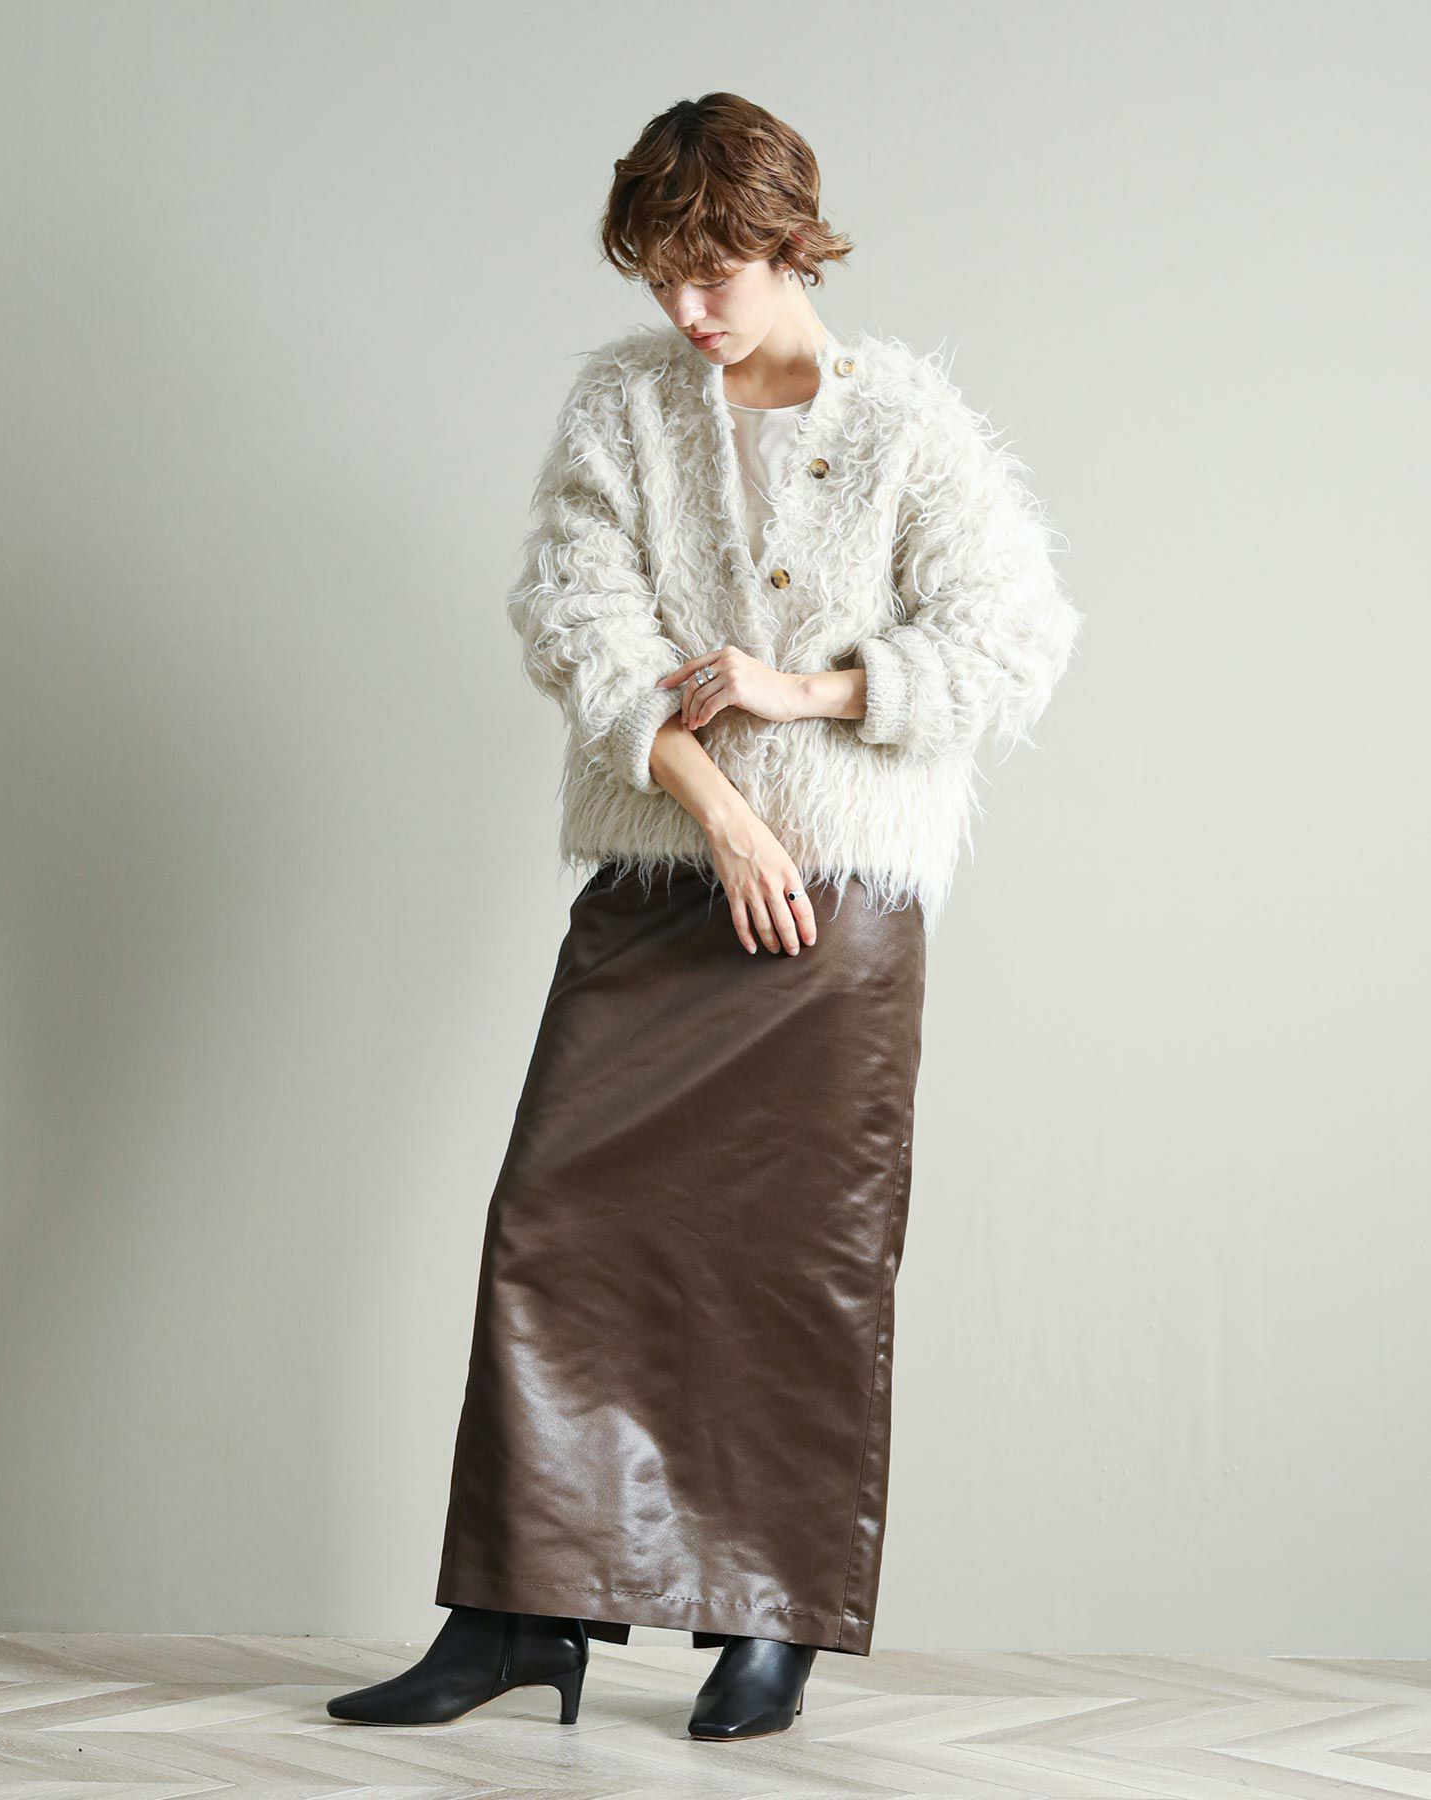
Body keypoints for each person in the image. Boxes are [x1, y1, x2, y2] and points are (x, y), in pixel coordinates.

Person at [327, 90, 1081, 1743]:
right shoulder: (624, 406)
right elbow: (576, 622)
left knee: (799, 1262)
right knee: (552, 1223)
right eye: (660, 275)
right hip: (672, 877)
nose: (686, 307)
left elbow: (1015, 639)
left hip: (835, 921)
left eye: (713, 270)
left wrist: (807, 691)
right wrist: (723, 808)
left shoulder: (912, 426)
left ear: (790, 239)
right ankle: (517, 1614)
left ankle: (769, 1621)